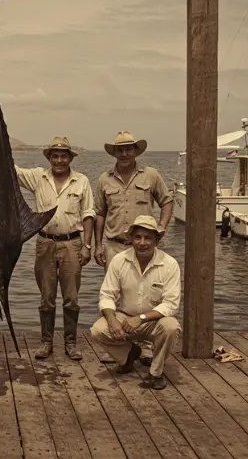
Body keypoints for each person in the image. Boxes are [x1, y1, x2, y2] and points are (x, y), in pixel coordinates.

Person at [93, 130, 173, 364]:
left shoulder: (151, 175)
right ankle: (121, 346)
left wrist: (161, 227)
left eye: (129, 149)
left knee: (148, 296)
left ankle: (147, 346)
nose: (125, 153)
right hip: (115, 246)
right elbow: (100, 213)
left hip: (144, 245)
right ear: (115, 153)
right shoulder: (103, 180)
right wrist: (98, 245)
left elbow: (166, 201)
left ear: (136, 151)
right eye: (121, 149)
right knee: (114, 298)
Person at [15, 136, 95, 360]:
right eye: (55, 156)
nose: (59, 160)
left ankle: (71, 343)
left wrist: (87, 245)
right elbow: (12, 170)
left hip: (72, 244)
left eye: (63, 156)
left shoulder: (82, 181)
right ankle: (46, 342)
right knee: (46, 296)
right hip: (45, 243)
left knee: (71, 297)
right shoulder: (38, 177)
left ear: (70, 158)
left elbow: (89, 214)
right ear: (49, 158)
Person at [89, 215, 182, 390]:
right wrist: (113, 321)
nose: (142, 243)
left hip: (153, 321)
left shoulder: (170, 264)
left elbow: (171, 304)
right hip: (124, 317)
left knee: (171, 327)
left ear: (157, 240)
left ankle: (156, 373)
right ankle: (128, 355)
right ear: (131, 239)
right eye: (138, 237)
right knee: (97, 330)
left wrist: (140, 318)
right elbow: (106, 295)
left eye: (148, 238)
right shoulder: (118, 260)